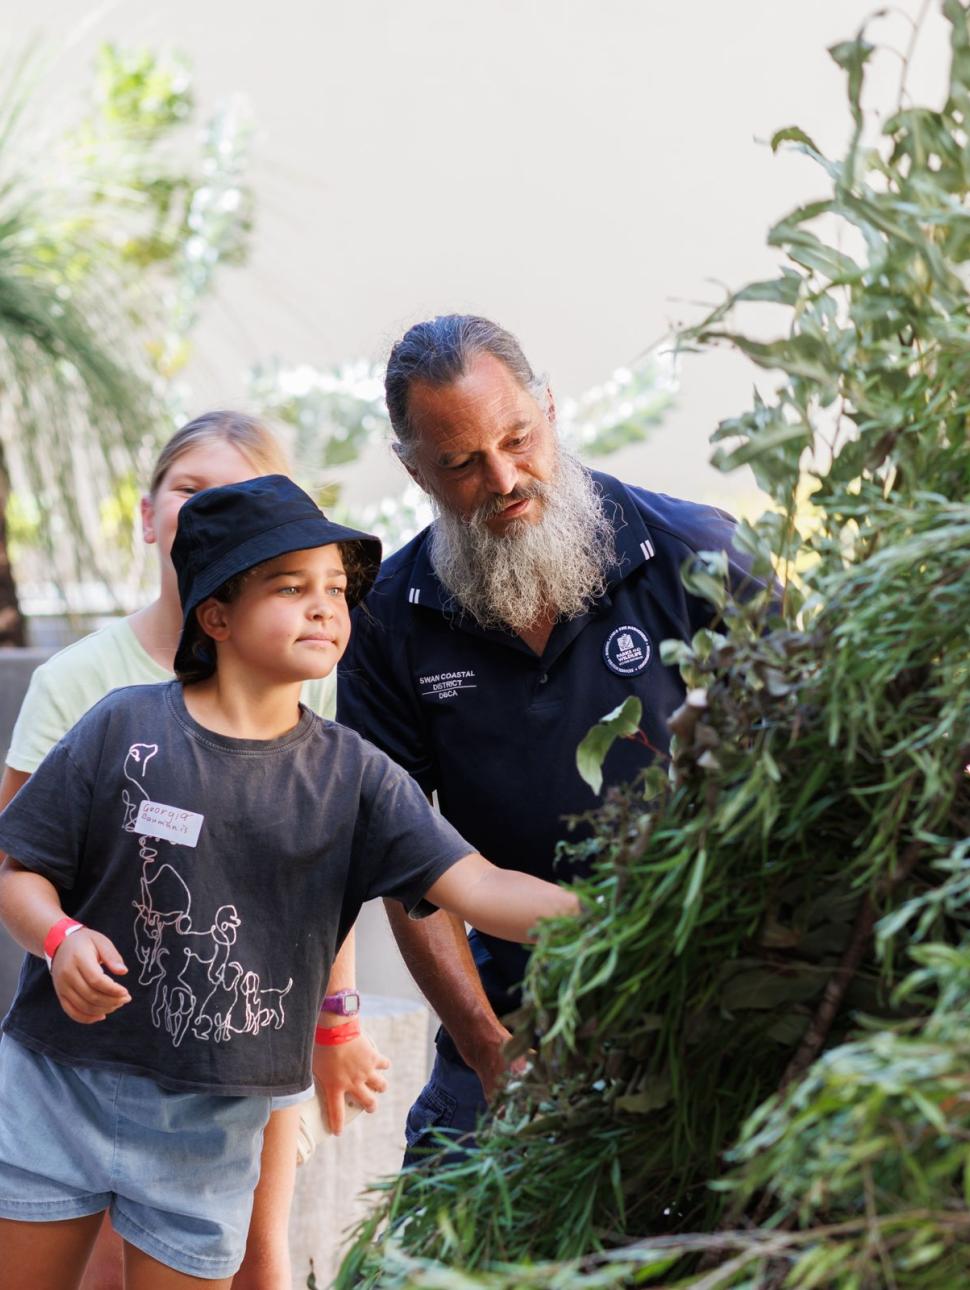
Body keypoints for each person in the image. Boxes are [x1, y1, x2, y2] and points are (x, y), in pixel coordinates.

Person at [0, 474, 578, 1289]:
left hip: (209, 1129)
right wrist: (60, 940)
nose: (324, 607)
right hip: (52, 1090)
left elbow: (482, 889)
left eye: (336, 589)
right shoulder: (121, 725)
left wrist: (623, 916)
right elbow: (17, 874)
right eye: (290, 585)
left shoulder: (359, 779)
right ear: (217, 615)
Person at [337, 314, 762, 1161]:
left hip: (705, 975)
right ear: (412, 466)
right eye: (460, 463)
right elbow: (402, 858)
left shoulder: (698, 554)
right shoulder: (386, 619)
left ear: (550, 409)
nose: (502, 478)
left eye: (517, 439)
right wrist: (489, 1046)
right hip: (504, 993)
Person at [0, 411, 389, 1290]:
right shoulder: (84, 687)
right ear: (148, 514)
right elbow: (18, 862)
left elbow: (322, 869)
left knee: (260, 1258)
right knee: (95, 1257)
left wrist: (337, 1017)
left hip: (241, 1049)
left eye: (241, 494)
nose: (207, 509)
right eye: (189, 489)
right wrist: (63, 945)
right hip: (94, 1058)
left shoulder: (309, 673)